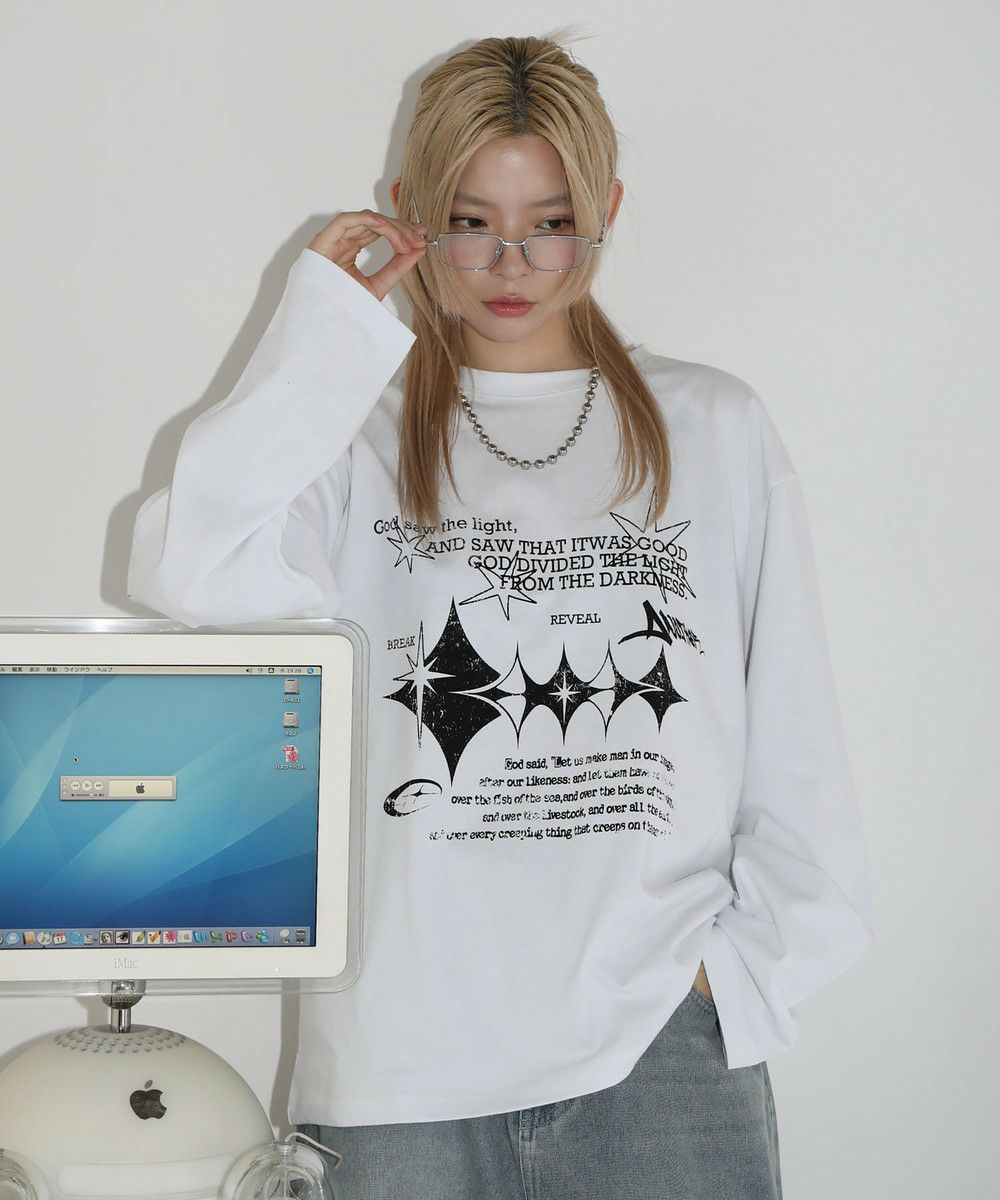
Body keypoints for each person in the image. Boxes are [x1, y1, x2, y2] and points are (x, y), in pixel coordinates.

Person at [127, 29, 874, 1200]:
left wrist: (737, 976)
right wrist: (321, 331)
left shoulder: (711, 427)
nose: (510, 262)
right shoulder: (353, 437)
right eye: (470, 221)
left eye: (551, 220)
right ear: (409, 214)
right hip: (400, 1066)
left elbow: (795, 736)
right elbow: (188, 569)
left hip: (658, 1048)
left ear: (607, 208)